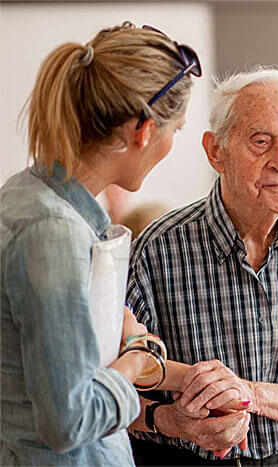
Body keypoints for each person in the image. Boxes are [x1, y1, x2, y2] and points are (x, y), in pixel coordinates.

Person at [126, 68, 278, 466]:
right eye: (261, 142)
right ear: (215, 151)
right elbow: (112, 387)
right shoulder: (159, 248)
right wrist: (173, 421)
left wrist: (246, 394)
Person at [1, 22, 199, 465]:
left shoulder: (28, 194)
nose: (170, 144)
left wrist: (126, 333)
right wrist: (135, 357)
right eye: (176, 131)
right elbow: (69, 420)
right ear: (143, 131)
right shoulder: (52, 232)